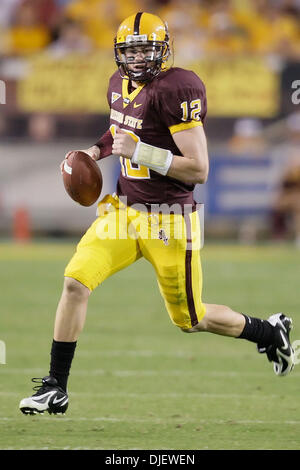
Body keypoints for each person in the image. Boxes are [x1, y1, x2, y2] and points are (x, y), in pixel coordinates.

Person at [19, 12, 295, 416]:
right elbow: (118, 132)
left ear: (163, 49)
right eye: (130, 49)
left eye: (146, 48)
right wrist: (92, 153)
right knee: (75, 282)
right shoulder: (117, 84)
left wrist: (143, 152)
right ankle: (54, 387)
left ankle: (269, 333)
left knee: (190, 317)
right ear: (119, 53)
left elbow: (199, 169)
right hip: (123, 211)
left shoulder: (176, 88)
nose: (137, 57)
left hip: (170, 219)